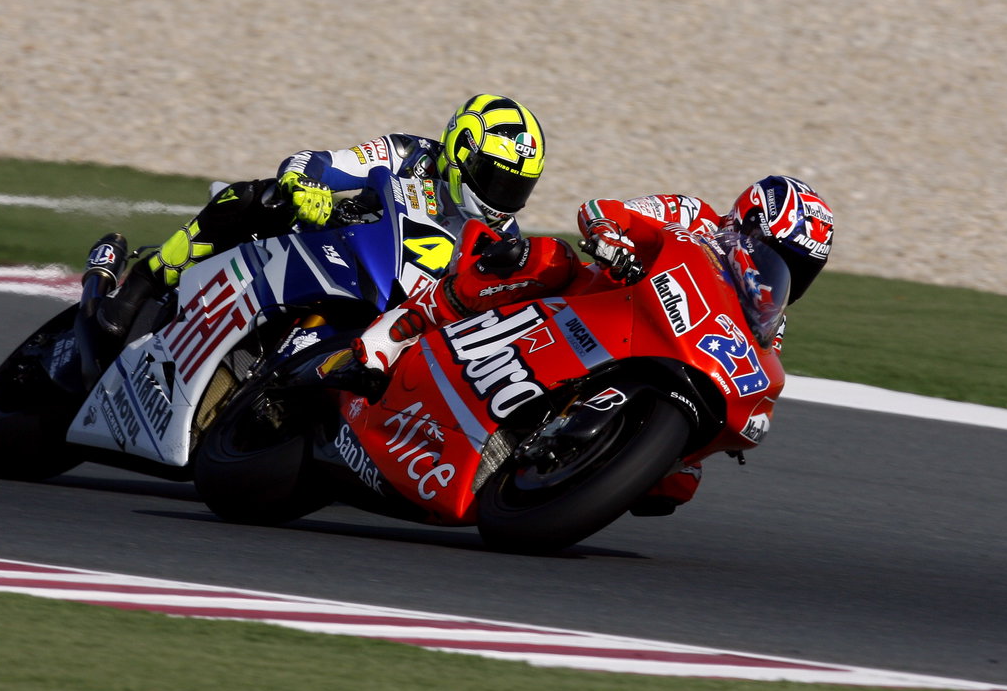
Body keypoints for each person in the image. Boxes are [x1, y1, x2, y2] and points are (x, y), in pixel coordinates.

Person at [351, 174, 835, 515]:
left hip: (661, 357)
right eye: (781, 254)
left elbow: (756, 372)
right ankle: (401, 329)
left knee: (679, 480)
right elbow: (605, 210)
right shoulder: (694, 216)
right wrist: (609, 237)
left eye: (801, 269)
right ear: (747, 224)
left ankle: (616, 453)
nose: (785, 274)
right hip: (588, 304)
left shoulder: (768, 320)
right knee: (548, 258)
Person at [90, 94, 548, 342]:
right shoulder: (409, 154)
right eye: (495, 179)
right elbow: (314, 161)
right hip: (328, 252)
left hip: (387, 316)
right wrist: (304, 186)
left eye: (517, 187)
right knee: (261, 199)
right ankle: (142, 284)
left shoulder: (501, 239)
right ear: (460, 153)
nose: (503, 197)